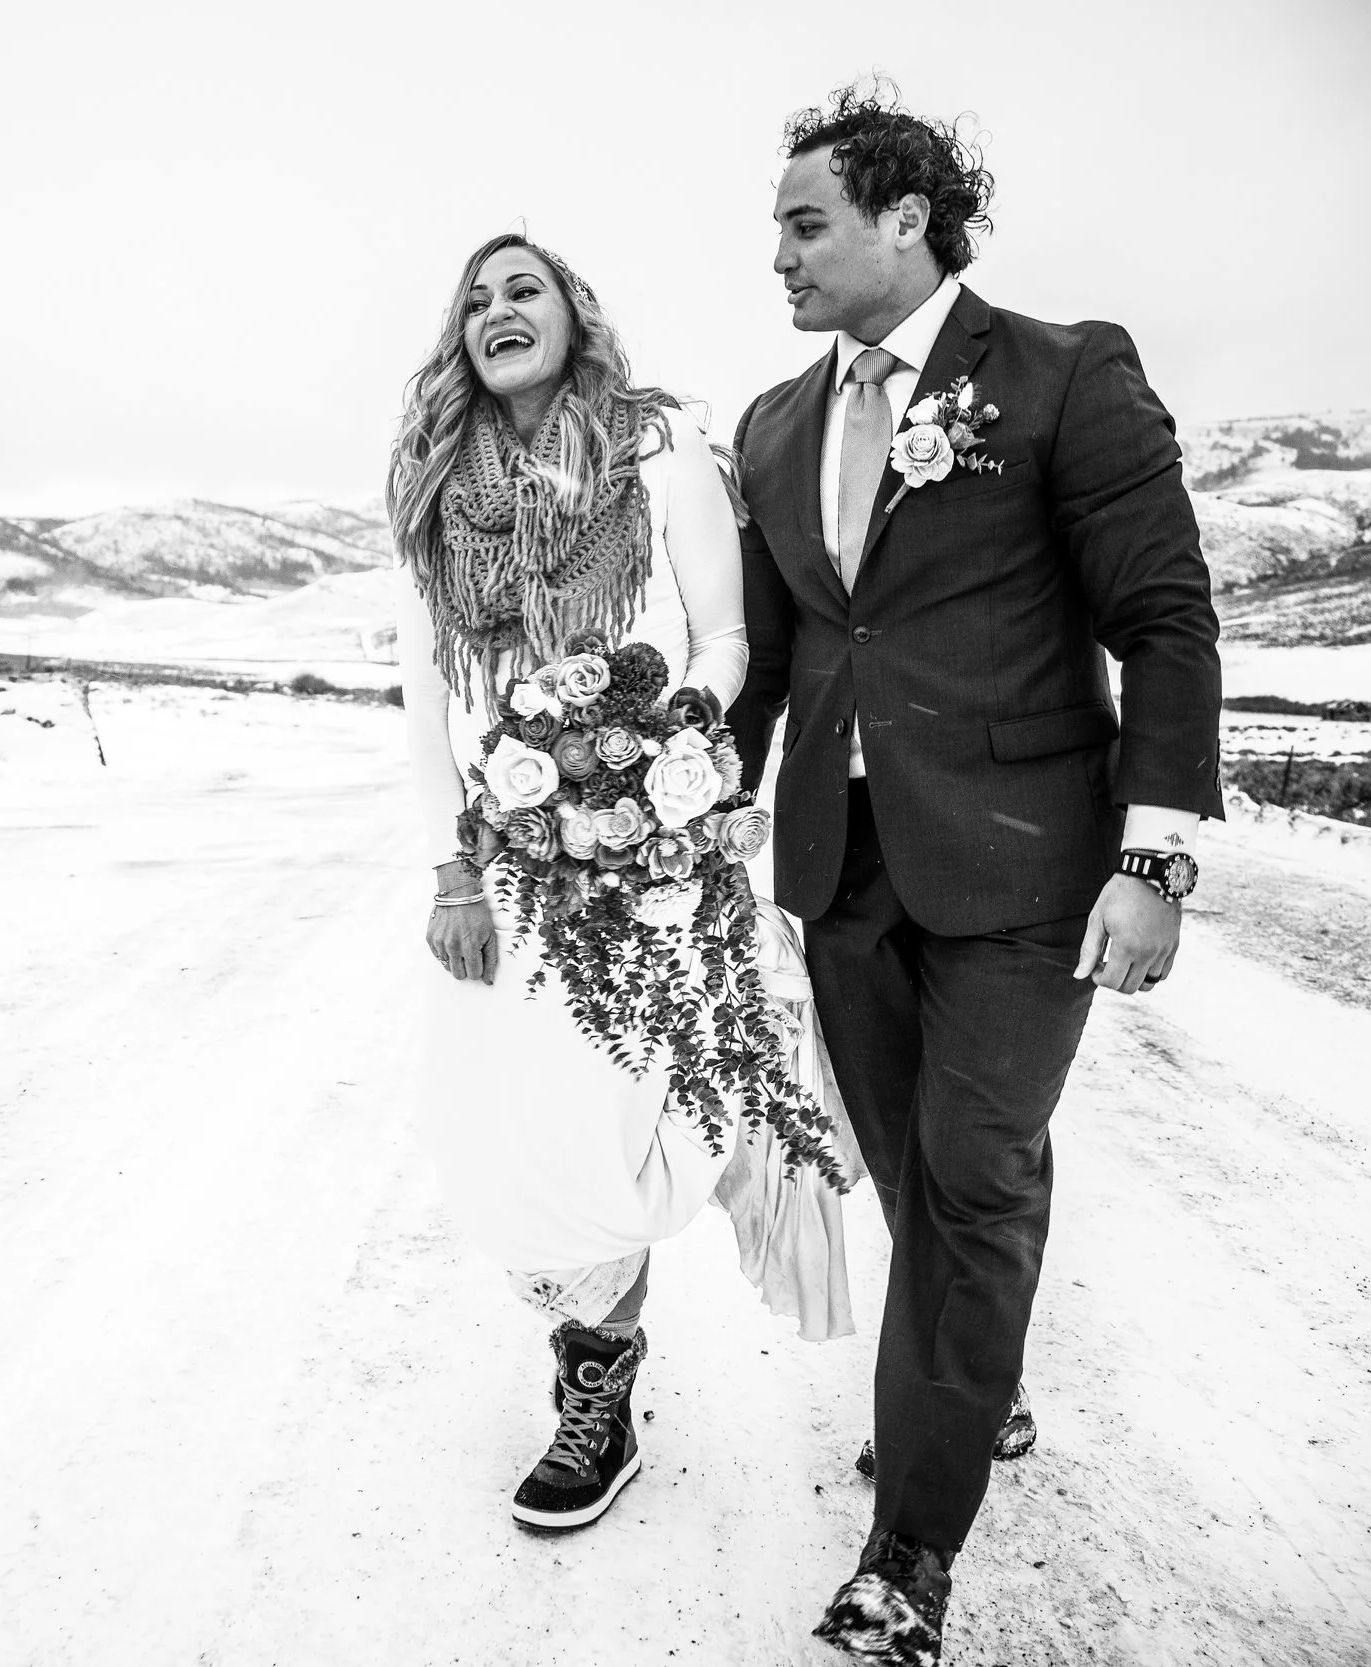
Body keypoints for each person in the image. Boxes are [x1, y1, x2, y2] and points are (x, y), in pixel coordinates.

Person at [725, 84, 1224, 1665]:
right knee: (909, 1170)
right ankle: (975, 1375)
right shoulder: (773, 426)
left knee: (972, 1170)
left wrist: (1156, 855)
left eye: (805, 223)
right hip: (843, 869)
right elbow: (780, 660)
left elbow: (1165, 621)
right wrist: (686, 800)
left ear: (907, 219)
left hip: (1027, 871)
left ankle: (910, 1553)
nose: (779, 256)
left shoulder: (1066, 375)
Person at [391, 232, 864, 1535]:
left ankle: (939, 1352)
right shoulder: (431, 493)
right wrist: (453, 870)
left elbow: (725, 637)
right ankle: (593, 1370)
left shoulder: (658, 451)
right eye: (474, 299)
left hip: (642, 855)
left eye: (522, 288)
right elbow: (427, 713)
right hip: (505, 869)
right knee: (515, 1150)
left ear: (574, 312)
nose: (497, 310)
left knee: (633, 1130)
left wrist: (649, 744)